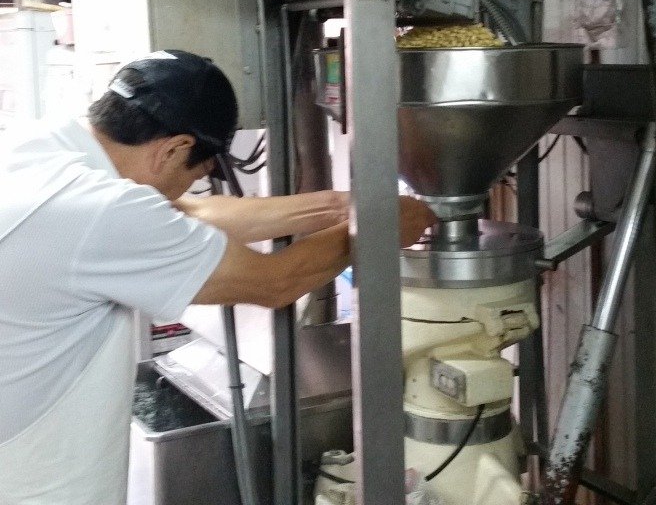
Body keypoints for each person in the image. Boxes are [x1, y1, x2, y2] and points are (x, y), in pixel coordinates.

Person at [0, 49, 434, 505]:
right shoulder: (104, 211)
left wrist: (342, 206)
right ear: (174, 149)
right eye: (199, 172)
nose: (190, 186)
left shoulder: (43, 150)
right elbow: (273, 282)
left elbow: (191, 212)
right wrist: (378, 227)